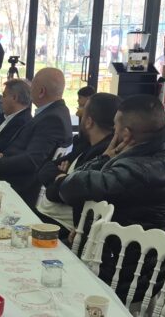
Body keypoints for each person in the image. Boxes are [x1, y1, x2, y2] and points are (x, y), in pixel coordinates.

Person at [58, 94, 165, 235]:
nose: (114, 130)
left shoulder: (133, 172)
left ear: (126, 134)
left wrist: (104, 158)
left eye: (115, 126)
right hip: (154, 243)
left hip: (118, 245)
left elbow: (69, 187)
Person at [0, 67, 73, 208]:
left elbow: (32, 160)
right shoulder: (56, 112)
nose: (30, 90)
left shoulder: (52, 119)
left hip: (19, 185)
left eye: (32, 86)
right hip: (13, 176)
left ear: (41, 92)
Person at [36, 92, 120, 233]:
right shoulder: (85, 144)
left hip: (61, 226)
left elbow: (58, 193)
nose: (78, 113)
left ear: (89, 122)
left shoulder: (104, 155)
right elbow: (45, 169)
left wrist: (59, 180)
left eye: (82, 109)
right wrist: (62, 177)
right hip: (46, 216)